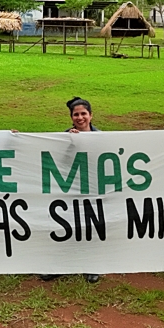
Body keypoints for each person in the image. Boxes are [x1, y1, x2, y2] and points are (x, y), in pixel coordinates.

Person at [42, 96, 101, 284]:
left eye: (84, 113)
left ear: (91, 116)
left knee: (91, 227)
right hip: (70, 190)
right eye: (76, 114)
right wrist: (72, 143)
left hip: (92, 190)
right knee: (65, 228)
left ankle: (91, 266)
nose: (80, 117)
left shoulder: (102, 137)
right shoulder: (65, 136)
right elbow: (60, 162)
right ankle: (61, 265)